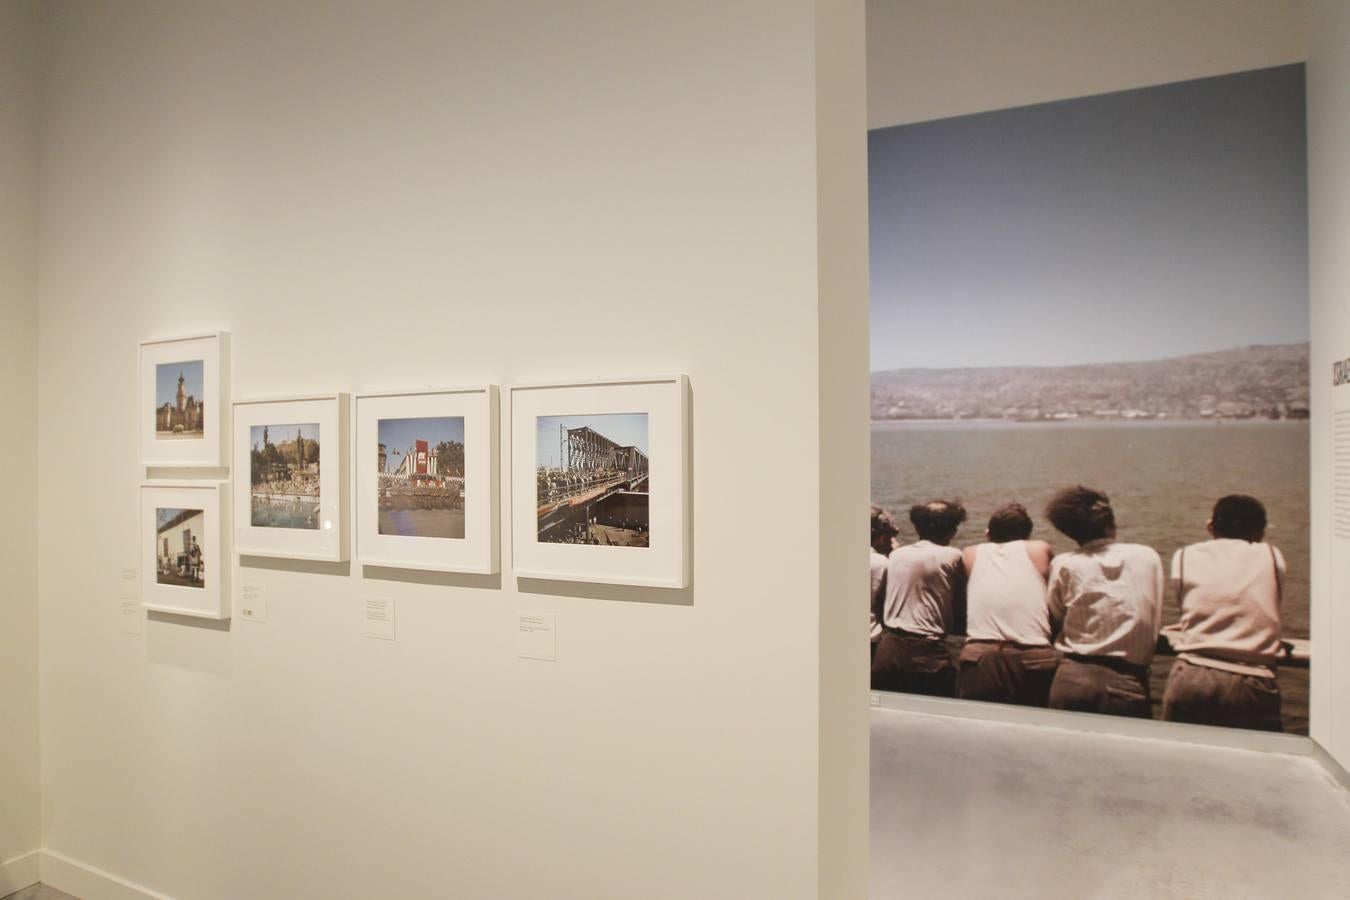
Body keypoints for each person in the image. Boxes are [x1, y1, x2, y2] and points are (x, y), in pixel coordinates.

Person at [1162, 495, 1285, 731]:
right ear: (1261, 532)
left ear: (1211, 526)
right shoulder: (1272, 556)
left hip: (1191, 673)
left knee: (1177, 763)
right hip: (1253, 679)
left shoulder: (1184, 555)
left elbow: (1188, 605)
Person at [1044, 486, 1163, 718]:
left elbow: (1056, 613)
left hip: (1071, 677)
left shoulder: (1063, 563)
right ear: (1110, 523)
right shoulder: (1147, 556)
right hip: (1126, 681)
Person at [958, 503, 1059, 706]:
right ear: (1028, 533)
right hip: (1033, 656)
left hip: (980, 656)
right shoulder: (1039, 548)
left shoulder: (970, 553)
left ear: (989, 533)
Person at [872, 500, 967, 697]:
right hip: (928, 653)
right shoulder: (954, 556)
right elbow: (961, 609)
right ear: (953, 531)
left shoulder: (896, 555)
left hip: (888, 650)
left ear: (917, 526)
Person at [870, 506, 900, 661]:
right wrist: (895, 556)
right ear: (881, 537)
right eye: (890, 537)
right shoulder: (882, 563)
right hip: (871, 642)